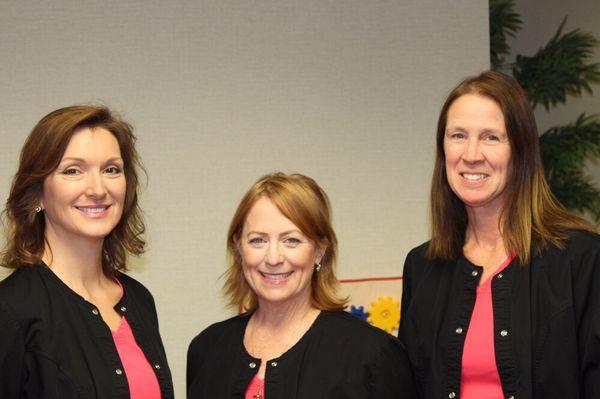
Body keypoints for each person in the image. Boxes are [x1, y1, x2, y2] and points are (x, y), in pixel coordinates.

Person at [399, 70, 600, 399]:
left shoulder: (581, 260)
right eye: (458, 135)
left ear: (520, 151)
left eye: (491, 137)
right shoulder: (422, 267)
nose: (472, 154)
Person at [187, 172, 415, 398]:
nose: (273, 258)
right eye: (258, 240)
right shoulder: (207, 350)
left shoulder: (372, 355)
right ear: (238, 248)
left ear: (319, 251)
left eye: (291, 240)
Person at [0, 106, 173, 398]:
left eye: (111, 169)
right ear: (37, 194)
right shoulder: (11, 310)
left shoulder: (140, 300)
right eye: (73, 170)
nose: (97, 188)